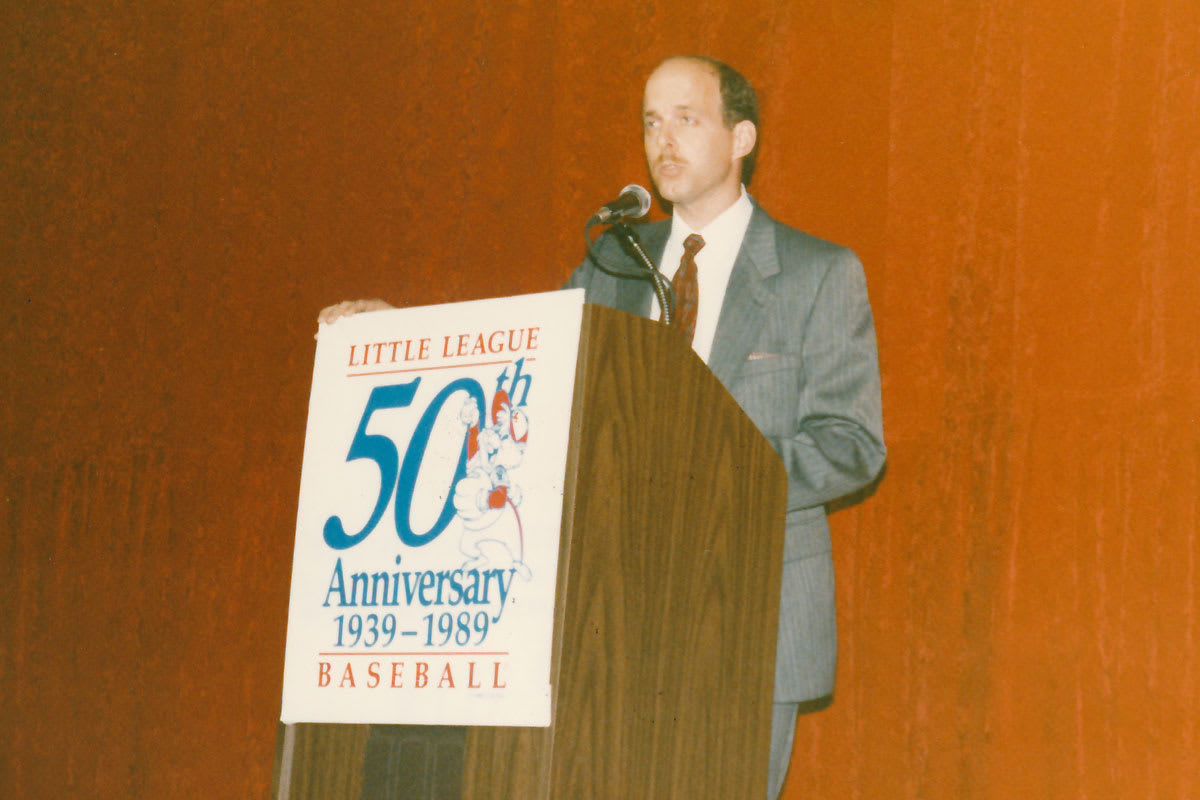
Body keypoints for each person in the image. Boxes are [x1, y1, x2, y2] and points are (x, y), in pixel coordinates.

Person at [563, 55, 885, 799]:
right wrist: (402, 334)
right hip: (611, 613)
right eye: (650, 121)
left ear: (742, 137)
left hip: (749, 612)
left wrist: (720, 475)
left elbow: (851, 442)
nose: (663, 141)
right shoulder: (609, 264)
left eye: (687, 118)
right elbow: (535, 379)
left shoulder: (816, 272)